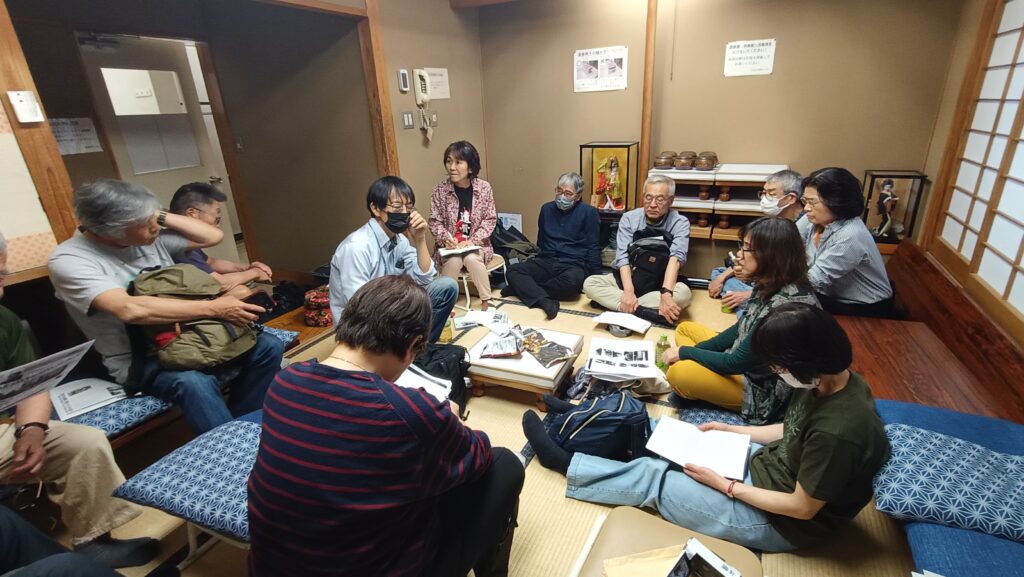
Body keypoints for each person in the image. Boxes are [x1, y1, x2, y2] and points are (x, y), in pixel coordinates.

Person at [523, 302, 891, 553]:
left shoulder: (838, 431)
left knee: (655, 477)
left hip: (780, 522)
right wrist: (733, 432)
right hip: (769, 467)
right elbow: (791, 429)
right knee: (663, 432)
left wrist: (725, 486)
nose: (776, 371)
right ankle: (577, 419)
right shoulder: (831, 380)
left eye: (778, 364)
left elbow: (802, 507)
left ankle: (567, 463)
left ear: (805, 360)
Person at [248, 276, 524, 577]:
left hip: (270, 567)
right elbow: (479, 456)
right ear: (413, 344)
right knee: (506, 464)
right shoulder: (410, 411)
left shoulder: (286, 380)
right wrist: (451, 422)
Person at [48, 179, 285, 434]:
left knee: (268, 346)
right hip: (144, 360)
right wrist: (216, 308)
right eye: (145, 222)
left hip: (197, 337)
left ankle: (246, 427)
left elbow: (212, 235)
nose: (155, 226)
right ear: (111, 229)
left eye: (154, 218)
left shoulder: (150, 238)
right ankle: (229, 448)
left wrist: (153, 212)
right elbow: (129, 309)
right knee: (194, 383)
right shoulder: (70, 260)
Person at [0, 230, 158, 570]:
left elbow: (31, 386)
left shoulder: (4, 320)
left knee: (83, 442)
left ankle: (94, 542)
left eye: (0, 276)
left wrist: (32, 429)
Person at [663, 217, 819, 424]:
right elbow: (740, 328)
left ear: (770, 255)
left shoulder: (786, 307)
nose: (739, 254)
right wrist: (696, 352)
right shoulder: (769, 282)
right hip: (743, 360)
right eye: (742, 245)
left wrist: (685, 353)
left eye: (747, 248)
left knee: (679, 373)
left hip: (762, 390)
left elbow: (735, 363)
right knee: (684, 329)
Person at [330, 176, 459, 343]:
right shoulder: (356, 247)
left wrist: (420, 239)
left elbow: (425, 278)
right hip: (362, 326)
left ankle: (417, 351)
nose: (405, 213)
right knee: (415, 300)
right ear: (376, 208)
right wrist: (405, 305)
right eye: (398, 207)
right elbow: (360, 306)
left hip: (391, 311)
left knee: (446, 287)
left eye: (409, 207)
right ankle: (401, 351)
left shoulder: (400, 241)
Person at [583, 174, 692, 325]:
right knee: (590, 283)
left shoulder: (680, 222)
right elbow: (622, 258)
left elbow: (676, 258)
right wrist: (628, 292)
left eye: (660, 199)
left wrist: (666, 294)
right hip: (629, 279)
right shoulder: (629, 218)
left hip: (659, 284)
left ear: (670, 201)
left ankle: (619, 306)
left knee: (683, 295)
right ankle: (643, 311)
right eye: (648, 197)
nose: (652, 204)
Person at [501, 172, 600, 319]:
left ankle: (522, 290)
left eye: (568, 193)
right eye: (559, 191)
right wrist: (537, 260)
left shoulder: (589, 212)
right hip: (546, 260)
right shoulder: (546, 209)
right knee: (513, 271)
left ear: (578, 196)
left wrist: (595, 279)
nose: (562, 196)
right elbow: (541, 241)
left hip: (573, 264)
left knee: (573, 282)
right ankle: (543, 300)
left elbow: (593, 246)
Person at [797, 167, 894, 317]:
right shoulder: (814, 219)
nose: (806, 208)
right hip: (831, 295)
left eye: (813, 202)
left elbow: (813, 280)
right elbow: (786, 243)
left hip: (864, 307)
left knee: (789, 305)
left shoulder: (851, 234)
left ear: (836, 202)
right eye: (805, 201)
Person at [709, 169, 803, 316]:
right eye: (764, 193)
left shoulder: (798, 230)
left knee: (735, 292)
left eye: (771, 194)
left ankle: (747, 309)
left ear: (790, 198)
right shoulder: (775, 221)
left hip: (777, 289)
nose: (765, 199)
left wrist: (750, 294)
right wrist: (723, 277)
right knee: (718, 273)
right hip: (762, 279)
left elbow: (787, 279)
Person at [429, 141, 497, 310]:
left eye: (458, 162)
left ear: (471, 167)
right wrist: (446, 239)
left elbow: (489, 219)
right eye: (449, 161)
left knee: (472, 258)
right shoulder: (440, 190)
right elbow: (435, 221)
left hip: (477, 245)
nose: (452, 167)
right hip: (450, 247)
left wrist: (472, 241)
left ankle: (486, 301)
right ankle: (446, 305)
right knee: (453, 260)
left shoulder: (484, 188)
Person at [168, 182, 272, 291]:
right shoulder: (177, 245)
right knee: (240, 291)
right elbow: (220, 283)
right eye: (216, 219)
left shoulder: (181, 237)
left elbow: (211, 263)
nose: (217, 226)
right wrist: (255, 272)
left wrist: (246, 268)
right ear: (192, 214)